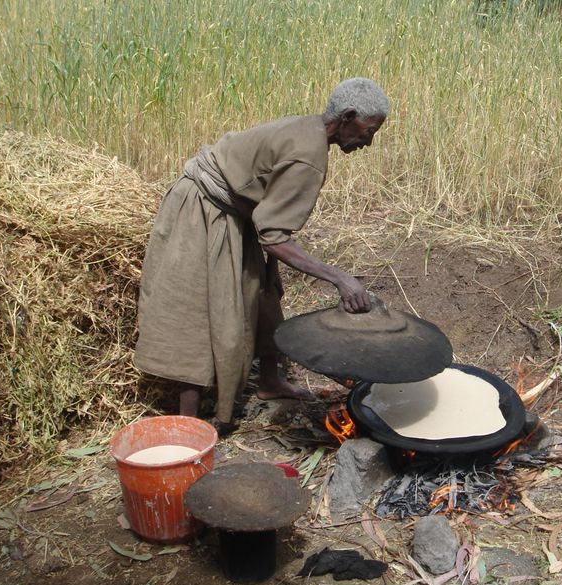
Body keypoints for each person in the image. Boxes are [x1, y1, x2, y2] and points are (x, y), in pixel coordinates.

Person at [134, 77, 389, 435]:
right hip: (203, 208)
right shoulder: (308, 156)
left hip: (235, 212)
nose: (369, 141)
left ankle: (271, 382)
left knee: (264, 294)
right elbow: (273, 239)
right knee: (201, 311)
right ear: (347, 117)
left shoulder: (310, 128)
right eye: (368, 131)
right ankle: (190, 427)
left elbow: (268, 223)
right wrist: (340, 278)